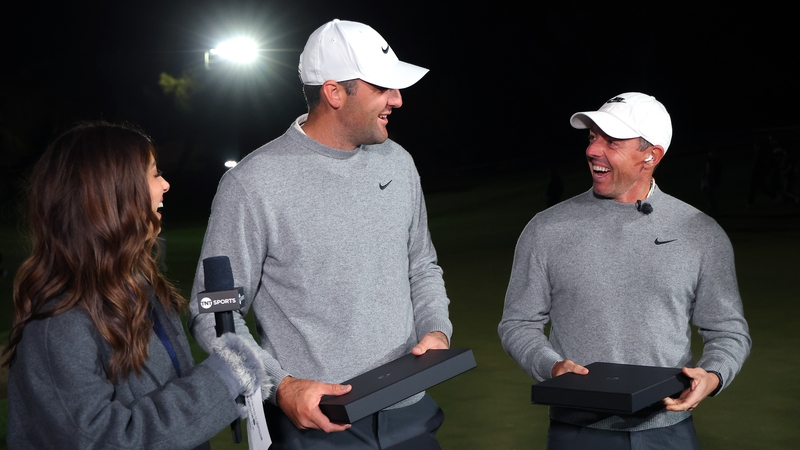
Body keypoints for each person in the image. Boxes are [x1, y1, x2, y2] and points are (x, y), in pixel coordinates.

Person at [188, 19, 452, 449]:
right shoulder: (253, 184)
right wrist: (281, 386)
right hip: (318, 429)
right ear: (334, 93)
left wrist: (436, 329)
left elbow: (421, 265)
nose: (398, 100)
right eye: (382, 87)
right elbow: (213, 313)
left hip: (412, 414)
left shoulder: (398, 162)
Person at [498, 93, 751, 449]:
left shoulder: (700, 232)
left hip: (668, 431)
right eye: (592, 137)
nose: (593, 150)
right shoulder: (546, 229)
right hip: (577, 432)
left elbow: (728, 330)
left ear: (652, 155)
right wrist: (551, 367)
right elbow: (518, 322)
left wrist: (712, 375)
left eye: (612, 141)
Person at [3, 122, 267, 450]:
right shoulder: (58, 322)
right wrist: (220, 381)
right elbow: (102, 440)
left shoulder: (139, 287)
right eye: (154, 174)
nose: (166, 185)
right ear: (112, 194)